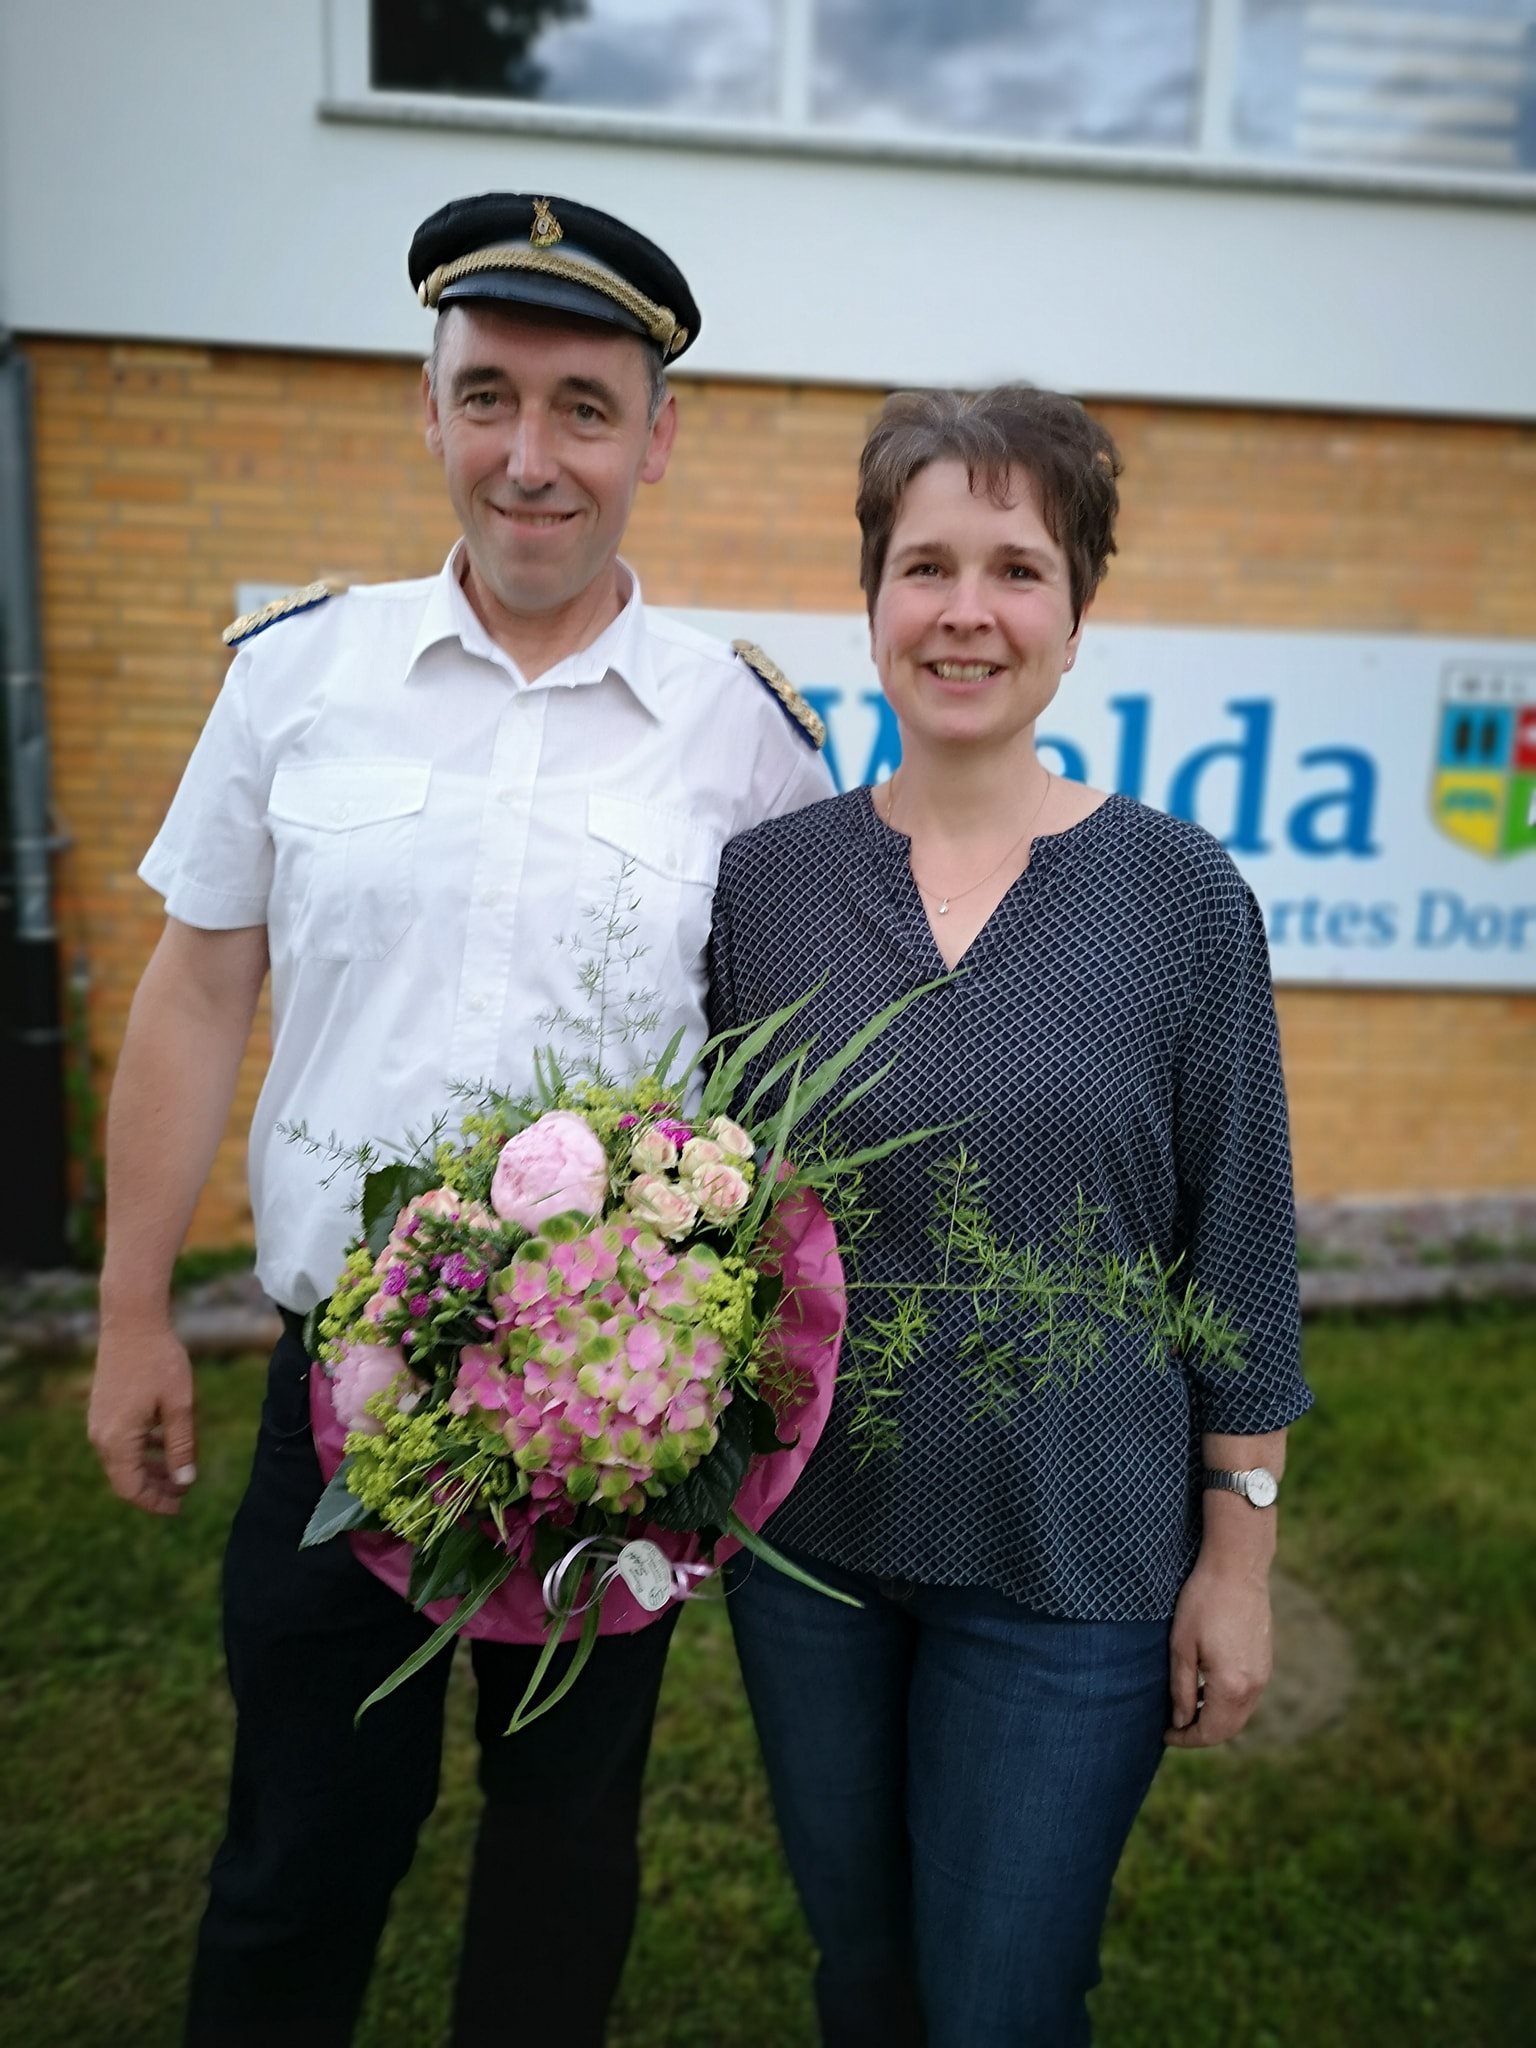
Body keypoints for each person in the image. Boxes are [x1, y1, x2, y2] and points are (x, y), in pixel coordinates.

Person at [86, 190, 833, 2048]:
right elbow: (195, 992)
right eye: (487, 393)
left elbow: (789, 1076)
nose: (531, 455)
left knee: (564, 1856)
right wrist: (126, 1312)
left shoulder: (744, 738)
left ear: (657, 439)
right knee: (297, 1856)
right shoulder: (296, 678)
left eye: (585, 406)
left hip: (616, 1413)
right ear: (426, 407)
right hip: (333, 1381)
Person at [707, 385, 1314, 2048]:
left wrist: (1239, 1565)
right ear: (873, 600)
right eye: (925, 567)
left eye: (1016, 568)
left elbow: (1241, 1250)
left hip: (1077, 1559)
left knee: (1002, 2005)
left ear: (1077, 613)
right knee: (864, 1982)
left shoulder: (1181, 899)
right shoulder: (769, 886)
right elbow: (721, 1214)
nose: (965, 610)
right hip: (809, 1549)